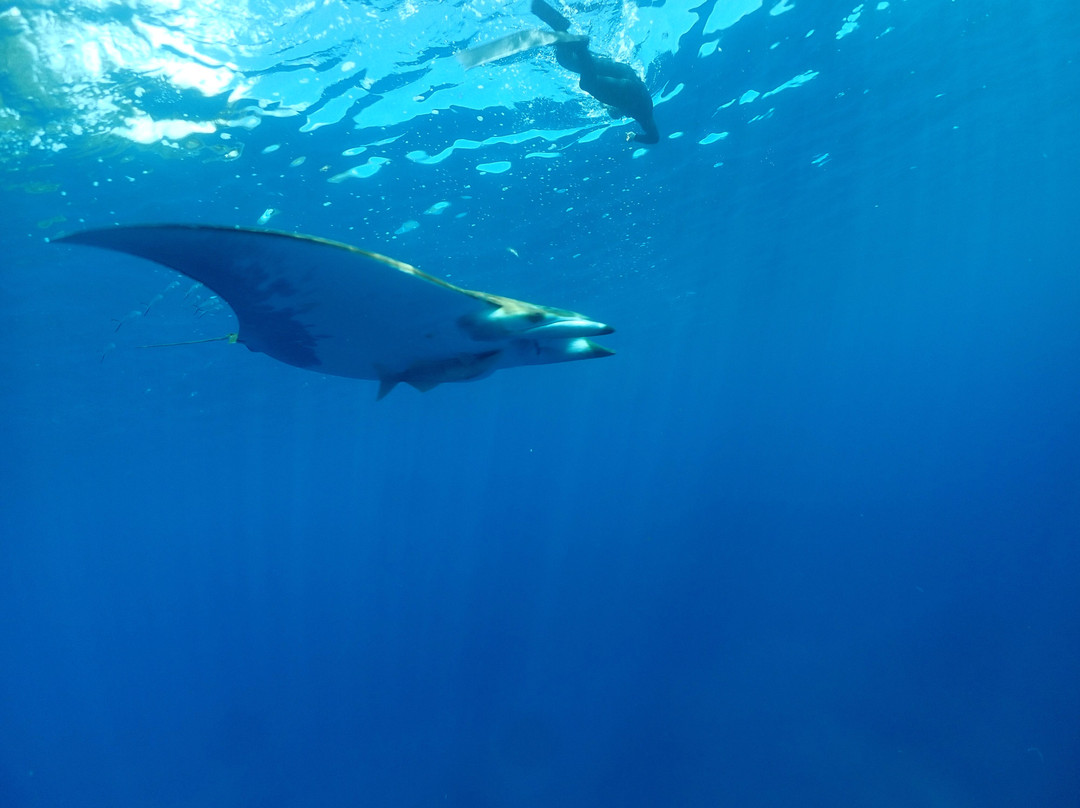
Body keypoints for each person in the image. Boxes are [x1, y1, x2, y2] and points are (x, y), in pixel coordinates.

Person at [457, 0, 660, 144]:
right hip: (632, 92)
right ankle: (581, 45)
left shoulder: (634, 107)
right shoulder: (640, 114)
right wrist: (635, 138)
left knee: (567, 62)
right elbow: (654, 138)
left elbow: (652, 136)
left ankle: (560, 26)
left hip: (629, 74)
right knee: (587, 83)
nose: (606, 106)